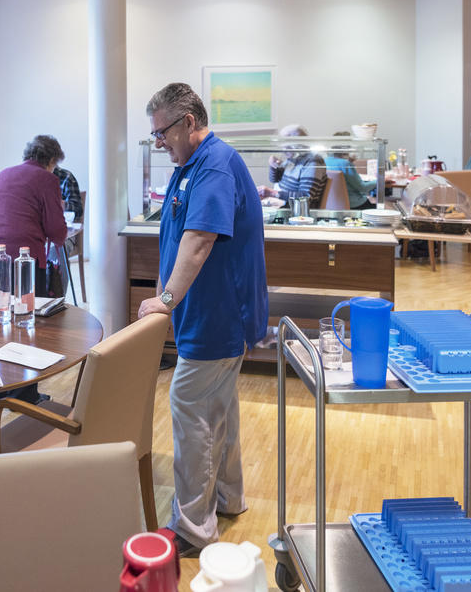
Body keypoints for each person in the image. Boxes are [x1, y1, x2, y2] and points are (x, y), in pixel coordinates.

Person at [137, 82, 267, 558]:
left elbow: (199, 241)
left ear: (188, 122)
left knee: (189, 405)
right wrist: (164, 298)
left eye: (163, 131)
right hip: (208, 314)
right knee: (218, 408)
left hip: (219, 317)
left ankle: (193, 527)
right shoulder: (191, 163)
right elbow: (175, 234)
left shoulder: (213, 164)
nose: (159, 141)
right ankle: (228, 498)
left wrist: (166, 300)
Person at [0, 134, 69, 299]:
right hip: (20, 255)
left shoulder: (4, 173)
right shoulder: (48, 179)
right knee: (26, 312)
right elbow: (57, 231)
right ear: (52, 160)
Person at [257, 124, 328, 208]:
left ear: (296, 145)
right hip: (282, 203)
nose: (283, 151)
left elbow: (305, 197)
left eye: (286, 147)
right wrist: (273, 166)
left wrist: (272, 193)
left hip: (297, 210)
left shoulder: (313, 161)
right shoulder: (293, 158)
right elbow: (275, 179)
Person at [324, 142, 374, 210]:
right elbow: (363, 188)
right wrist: (380, 180)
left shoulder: (324, 161)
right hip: (354, 204)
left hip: (330, 205)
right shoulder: (345, 164)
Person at [53, 164, 84, 254]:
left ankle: (56, 267)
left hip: (67, 233)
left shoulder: (66, 177)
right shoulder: (33, 178)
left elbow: (78, 209)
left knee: (55, 251)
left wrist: (62, 205)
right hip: (40, 234)